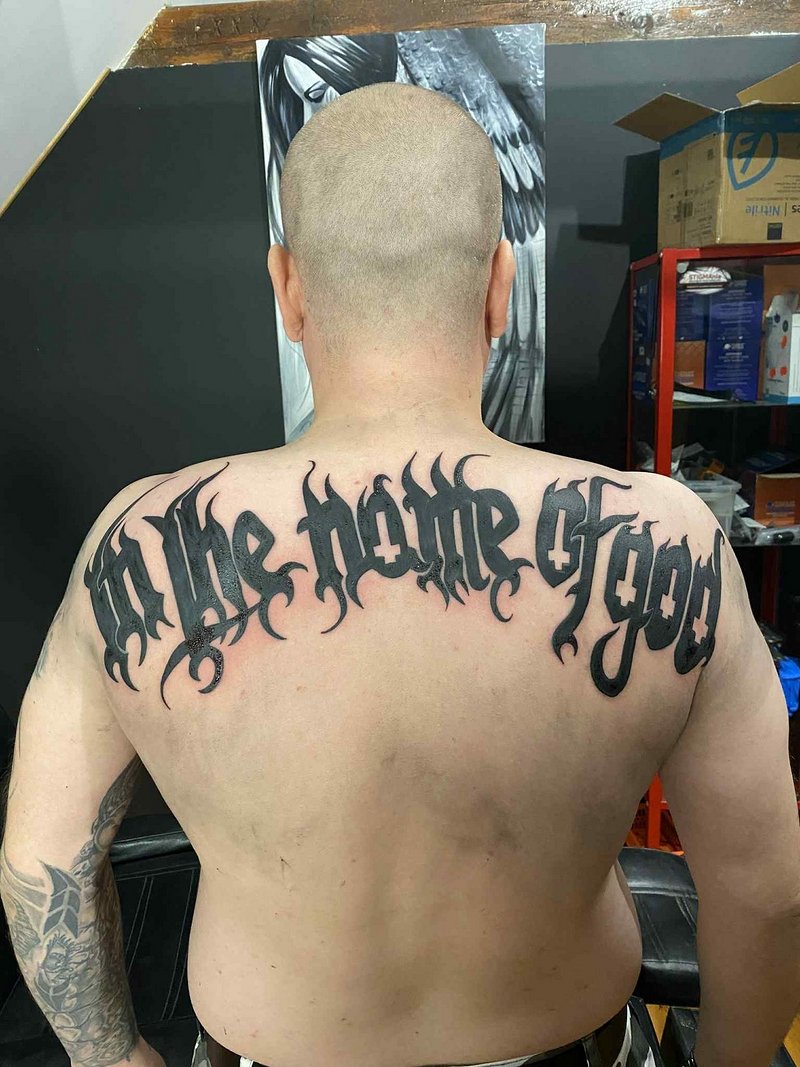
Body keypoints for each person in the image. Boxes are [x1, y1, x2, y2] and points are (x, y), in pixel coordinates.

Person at [1, 82, 799, 1067]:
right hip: (569, 1044)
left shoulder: (138, 545)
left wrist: (110, 1056)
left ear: (287, 289)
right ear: (501, 285)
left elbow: (43, 860)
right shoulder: (670, 539)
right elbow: (765, 889)